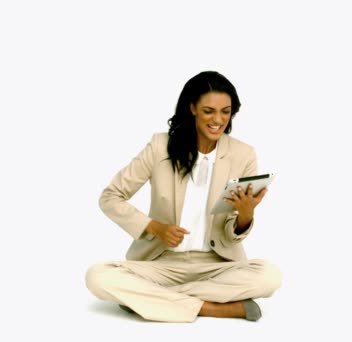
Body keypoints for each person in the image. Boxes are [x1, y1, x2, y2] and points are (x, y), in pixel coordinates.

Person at [85, 71, 282, 323]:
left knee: (270, 276)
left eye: (226, 111)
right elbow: (111, 197)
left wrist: (246, 215)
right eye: (209, 111)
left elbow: (234, 231)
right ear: (192, 108)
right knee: (97, 276)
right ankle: (215, 308)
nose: (218, 120)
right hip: (161, 263)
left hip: (216, 266)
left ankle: (146, 300)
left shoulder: (243, 154)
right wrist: (154, 227)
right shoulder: (160, 146)